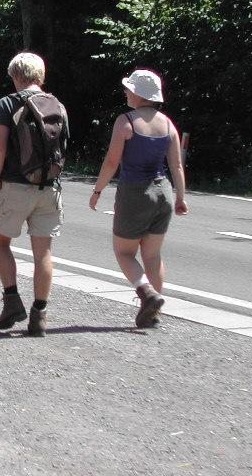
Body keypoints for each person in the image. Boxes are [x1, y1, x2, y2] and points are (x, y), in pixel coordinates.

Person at [89, 69, 188, 328]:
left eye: (128, 88)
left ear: (138, 94)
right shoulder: (168, 124)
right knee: (153, 256)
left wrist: (98, 190)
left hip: (135, 191)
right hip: (163, 192)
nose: (125, 91)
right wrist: (180, 197)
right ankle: (153, 313)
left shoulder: (126, 122)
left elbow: (112, 162)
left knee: (124, 253)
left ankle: (147, 294)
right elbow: (176, 166)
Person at [0, 52, 69, 336]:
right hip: (49, 188)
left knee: (0, 242)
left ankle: (12, 301)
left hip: (15, 184)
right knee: (43, 252)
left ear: (16, 76)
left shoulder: (8, 103)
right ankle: (40, 314)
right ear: (40, 76)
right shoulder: (57, 105)